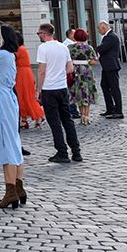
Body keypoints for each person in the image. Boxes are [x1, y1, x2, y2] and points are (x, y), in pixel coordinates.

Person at [0, 23, 26, 210]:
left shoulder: (0, 55)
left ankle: (10, 192)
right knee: (13, 141)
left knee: (6, 144)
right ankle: (18, 187)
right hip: (8, 98)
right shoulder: (8, 54)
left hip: (0, 99)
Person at [36, 23, 82, 164]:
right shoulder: (63, 47)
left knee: (54, 122)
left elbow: (42, 71)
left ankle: (62, 152)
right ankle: (76, 151)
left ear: (44, 34)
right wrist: (59, 73)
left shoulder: (43, 48)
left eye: (39, 34)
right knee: (67, 120)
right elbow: (70, 68)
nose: (39, 36)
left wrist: (38, 89)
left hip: (49, 89)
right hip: (62, 88)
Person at [68, 28, 98, 125]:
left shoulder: (70, 47)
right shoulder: (89, 48)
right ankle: (86, 115)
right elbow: (95, 61)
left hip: (75, 72)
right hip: (86, 72)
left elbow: (67, 60)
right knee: (87, 93)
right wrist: (87, 62)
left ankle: (81, 115)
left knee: (78, 93)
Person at [14, 32, 45, 129]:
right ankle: (25, 118)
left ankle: (38, 115)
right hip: (21, 73)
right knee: (22, 96)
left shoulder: (20, 49)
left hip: (23, 74)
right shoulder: (20, 49)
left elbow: (13, 57)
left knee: (27, 96)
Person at [96, 21, 124, 119]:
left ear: (103, 28)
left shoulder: (112, 37)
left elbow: (102, 48)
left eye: (99, 29)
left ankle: (118, 111)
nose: (99, 31)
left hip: (111, 66)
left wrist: (95, 49)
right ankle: (110, 108)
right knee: (104, 85)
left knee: (114, 88)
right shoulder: (108, 37)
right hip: (107, 66)